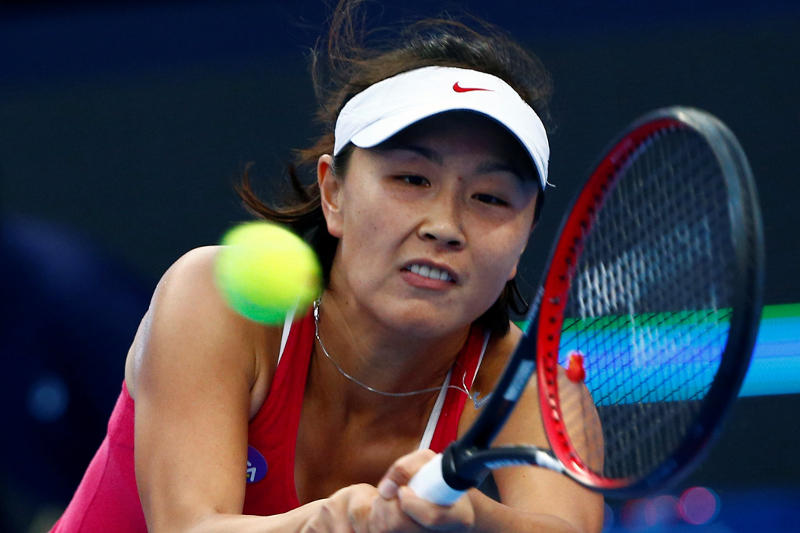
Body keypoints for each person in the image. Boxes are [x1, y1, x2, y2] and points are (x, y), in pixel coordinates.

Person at [51, 1, 605, 532]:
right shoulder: (220, 298)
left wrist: (475, 522)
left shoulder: (532, 388)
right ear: (333, 192)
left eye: (490, 198)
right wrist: (322, 522)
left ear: (525, 239)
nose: (445, 225)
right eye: (412, 180)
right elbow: (188, 526)